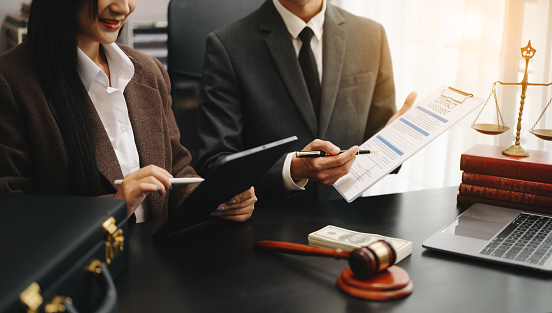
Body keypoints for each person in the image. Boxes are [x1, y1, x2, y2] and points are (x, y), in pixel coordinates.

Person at [0, 0, 256, 223]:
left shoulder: (149, 71)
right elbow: (12, 210)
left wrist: (217, 201)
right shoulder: (11, 81)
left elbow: (177, 173)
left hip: (160, 266)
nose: (123, 7)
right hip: (83, 273)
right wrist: (113, 208)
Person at [195, 0, 416, 203]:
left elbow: (375, 145)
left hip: (351, 219)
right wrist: (292, 170)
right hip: (268, 223)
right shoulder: (227, 45)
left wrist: (395, 141)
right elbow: (214, 163)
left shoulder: (371, 35)